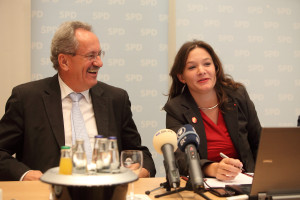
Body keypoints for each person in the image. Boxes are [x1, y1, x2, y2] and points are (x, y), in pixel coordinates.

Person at [0, 21, 156, 181]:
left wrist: (142, 169)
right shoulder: (27, 98)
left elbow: (139, 153)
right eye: (90, 56)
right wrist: (25, 175)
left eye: (99, 55)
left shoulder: (115, 99)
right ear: (64, 61)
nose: (99, 63)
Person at [164, 40, 261, 181]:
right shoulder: (176, 109)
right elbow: (180, 158)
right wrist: (213, 168)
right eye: (192, 67)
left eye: (207, 64)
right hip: (207, 185)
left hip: (245, 181)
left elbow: (259, 142)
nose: (202, 71)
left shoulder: (237, 95)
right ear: (181, 77)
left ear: (215, 67)